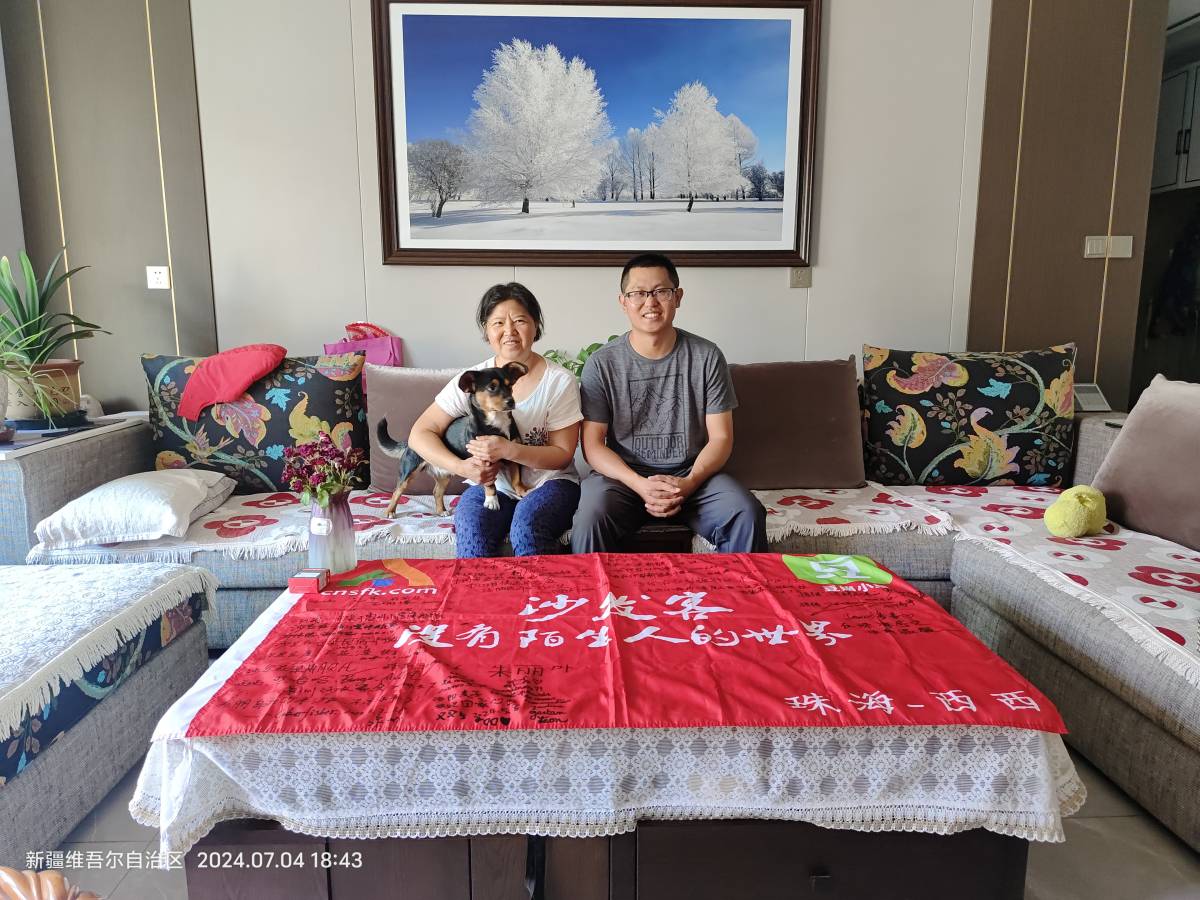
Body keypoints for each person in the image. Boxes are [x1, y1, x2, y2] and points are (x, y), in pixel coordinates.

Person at [571, 252, 767, 553]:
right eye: (638, 293)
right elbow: (593, 445)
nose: (650, 302)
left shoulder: (706, 356)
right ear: (623, 302)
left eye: (661, 291)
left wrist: (689, 482)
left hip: (694, 476)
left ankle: (742, 586)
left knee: (745, 512)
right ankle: (592, 587)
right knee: (591, 517)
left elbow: (721, 437)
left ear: (678, 297)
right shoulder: (602, 364)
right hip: (625, 480)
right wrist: (639, 484)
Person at [408, 283, 582, 557]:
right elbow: (420, 433)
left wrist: (509, 450)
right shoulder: (475, 379)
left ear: (535, 325)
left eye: (520, 321)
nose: (509, 331)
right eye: (498, 323)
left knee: (527, 526)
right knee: (471, 524)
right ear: (487, 330)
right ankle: (479, 586)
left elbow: (562, 455)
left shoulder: (559, 381)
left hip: (551, 483)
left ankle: (537, 587)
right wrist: (461, 467)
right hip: (493, 487)